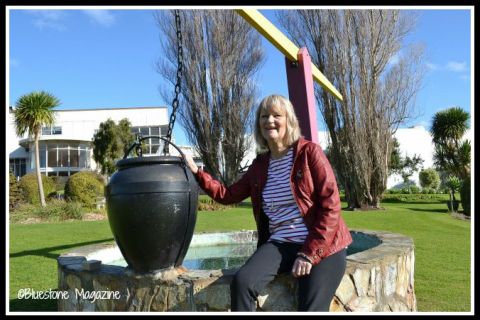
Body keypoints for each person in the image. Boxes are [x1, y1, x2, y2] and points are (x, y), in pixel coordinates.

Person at [184, 94, 353, 312]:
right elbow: (228, 194)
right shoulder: (259, 166)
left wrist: (309, 253)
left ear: (289, 121)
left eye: (276, 115)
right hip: (280, 243)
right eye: (264, 116)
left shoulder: (309, 153)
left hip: (323, 245)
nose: (269, 121)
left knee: (310, 309)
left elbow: (331, 206)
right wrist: (198, 172)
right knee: (242, 282)